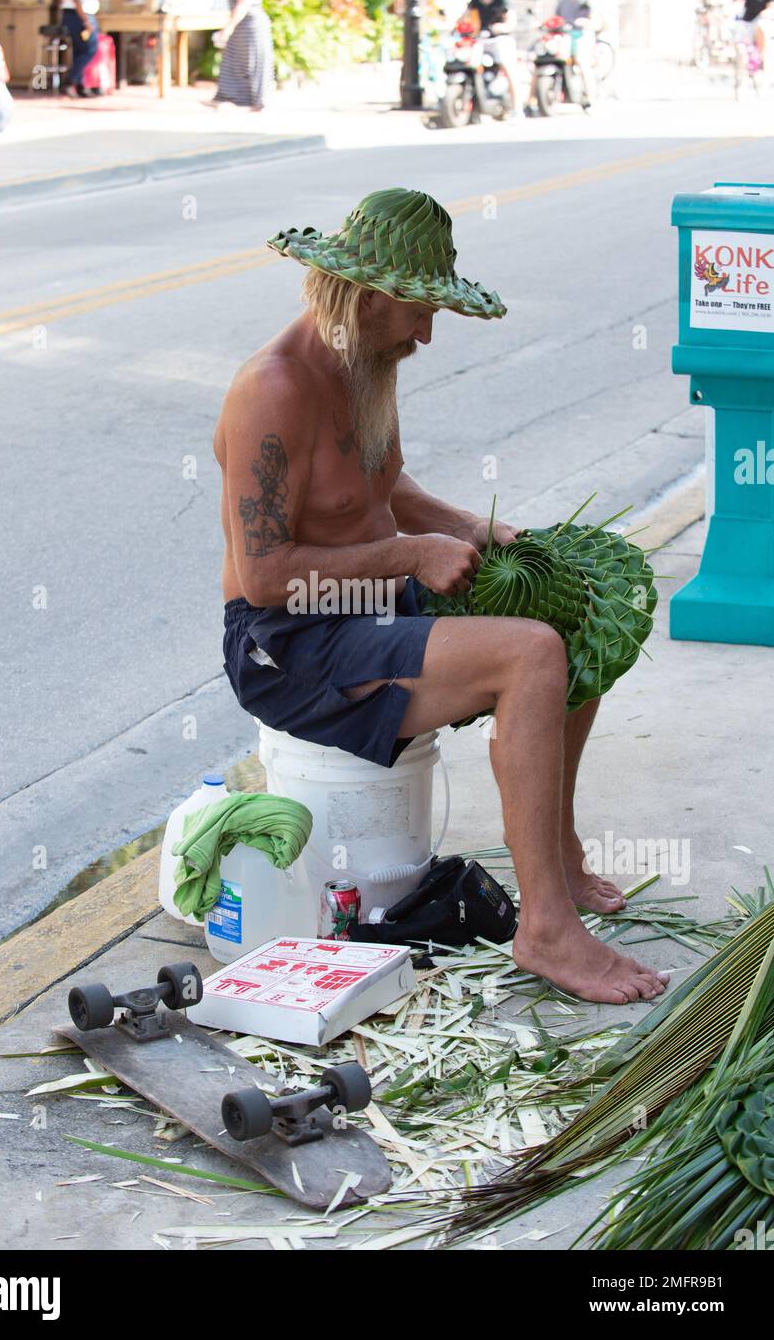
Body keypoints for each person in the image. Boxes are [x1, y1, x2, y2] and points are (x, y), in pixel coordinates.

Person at [215, 187, 671, 1008]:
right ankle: (545, 929)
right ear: (365, 294)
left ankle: (557, 855)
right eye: (418, 311)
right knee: (528, 656)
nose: (426, 333)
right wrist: (410, 554)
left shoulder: (357, 364)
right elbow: (263, 574)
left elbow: (378, 487)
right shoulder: (274, 388)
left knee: (567, 612)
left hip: (367, 609)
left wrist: (467, 528)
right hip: (287, 644)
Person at [211, 0, 273, 112]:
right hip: (244, 27)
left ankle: (253, 102)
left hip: (249, 26)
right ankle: (239, 99)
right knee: (238, 63)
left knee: (249, 63)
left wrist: (229, 27)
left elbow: (243, 4)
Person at [467, 0, 523, 118]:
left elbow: (511, 20)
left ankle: (518, 108)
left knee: (508, 68)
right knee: (470, 64)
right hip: (482, 39)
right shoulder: (476, 0)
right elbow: (465, 16)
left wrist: (503, 27)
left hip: (500, 39)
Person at [57, 0, 99, 98]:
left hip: (85, 13)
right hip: (77, 14)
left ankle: (80, 84)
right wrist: (86, 20)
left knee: (80, 50)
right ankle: (70, 81)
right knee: (91, 48)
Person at [554, 0, 597, 108]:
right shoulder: (563, 2)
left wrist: (586, 22)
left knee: (581, 61)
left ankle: (591, 98)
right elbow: (556, 19)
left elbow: (594, 20)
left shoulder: (585, 1)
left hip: (580, 36)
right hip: (564, 36)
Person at [733, 0, 774, 87]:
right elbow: (739, 2)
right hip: (746, 26)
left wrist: (765, 13)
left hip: (760, 28)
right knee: (741, 54)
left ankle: (760, 57)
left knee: (762, 25)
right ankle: (741, 83)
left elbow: (770, 7)